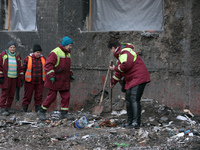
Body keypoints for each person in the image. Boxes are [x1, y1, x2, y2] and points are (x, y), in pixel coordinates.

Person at [108, 39, 151, 128]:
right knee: (128, 99)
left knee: (134, 99)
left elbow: (126, 66)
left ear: (113, 48)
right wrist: (113, 82)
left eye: (110, 50)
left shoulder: (125, 52)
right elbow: (119, 72)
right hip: (132, 79)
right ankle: (130, 121)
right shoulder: (121, 55)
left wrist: (114, 68)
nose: (111, 52)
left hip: (138, 78)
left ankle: (136, 123)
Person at [37, 36, 74, 120]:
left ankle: (64, 114)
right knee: (51, 96)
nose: (70, 47)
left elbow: (67, 66)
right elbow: (48, 65)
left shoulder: (68, 53)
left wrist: (70, 74)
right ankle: (41, 111)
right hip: (55, 79)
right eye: (69, 45)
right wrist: (51, 76)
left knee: (66, 96)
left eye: (71, 45)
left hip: (63, 79)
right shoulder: (55, 52)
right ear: (65, 45)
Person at [0, 41, 24, 116]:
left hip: (14, 78)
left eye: (14, 47)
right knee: (4, 94)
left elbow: (20, 67)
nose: (12, 49)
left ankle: (8, 107)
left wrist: (21, 77)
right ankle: (2, 108)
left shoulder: (17, 56)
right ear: (8, 48)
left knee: (11, 94)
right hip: (6, 78)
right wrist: (0, 76)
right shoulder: (3, 55)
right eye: (11, 47)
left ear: (15, 48)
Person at [22, 44, 46, 112]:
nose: (39, 54)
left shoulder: (43, 59)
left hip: (40, 82)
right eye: (37, 52)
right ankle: (24, 109)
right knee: (27, 96)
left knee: (39, 96)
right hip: (29, 81)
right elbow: (23, 69)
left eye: (40, 52)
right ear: (34, 52)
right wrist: (21, 78)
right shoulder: (28, 58)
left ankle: (37, 109)